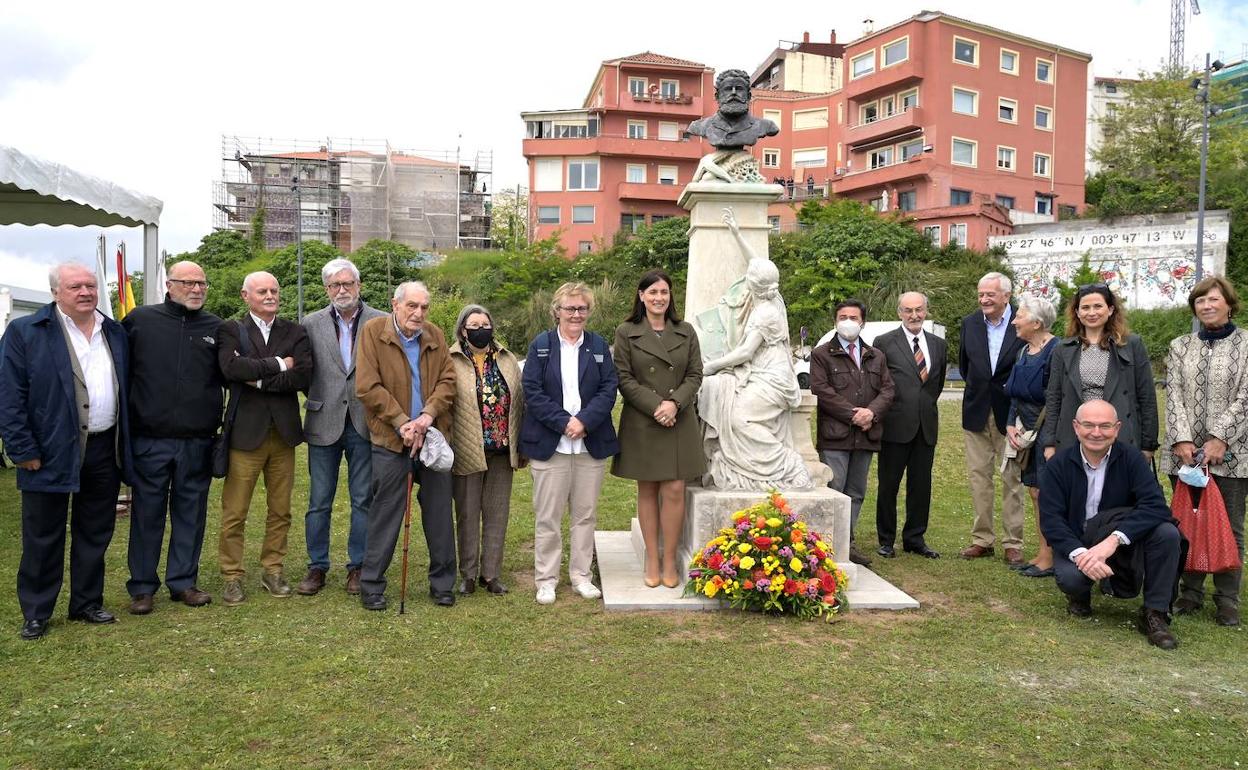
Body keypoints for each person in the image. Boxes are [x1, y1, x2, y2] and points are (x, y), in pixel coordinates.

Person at [0, 262, 133, 640]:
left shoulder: (114, 331)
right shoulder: (27, 331)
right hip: (47, 450)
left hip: (104, 447)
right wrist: (21, 447)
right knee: (43, 534)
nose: (86, 292)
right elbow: (9, 396)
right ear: (56, 292)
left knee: (95, 529)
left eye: (91, 285)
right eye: (76, 286)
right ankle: (37, 611)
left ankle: (87, 602)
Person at [1039, 400, 1182, 649]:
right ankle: (1079, 595)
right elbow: (1051, 520)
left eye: (1105, 426)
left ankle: (1155, 613)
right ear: (1075, 427)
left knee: (1167, 533)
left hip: (1120, 541)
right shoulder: (1057, 466)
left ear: (1116, 429)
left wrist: (1113, 540)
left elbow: (1156, 505)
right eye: (1089, 425)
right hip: (1079, 542)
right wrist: (1082, 554)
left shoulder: (1133, 460)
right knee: (1071, 579)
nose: (1096, 432)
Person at [122, 260, 223, 615]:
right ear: (169, 284)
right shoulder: (140, 321)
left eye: (202, 283)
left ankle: (182, 582)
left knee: (190, 514)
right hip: (150, 439)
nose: (196, 289)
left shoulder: (217, 328)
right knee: (147, 513)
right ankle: (142, 587)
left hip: (197, 441)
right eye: (188, 283)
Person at [356, 281, 458, 609]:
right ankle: (371, 585)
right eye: (412, 306)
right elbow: (368, 387)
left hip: (431, 437)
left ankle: (442, 584)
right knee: (385, 513)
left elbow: (447, 381)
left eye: (424, 307)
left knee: (440, 513)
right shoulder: (373, 332)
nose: (418, 313)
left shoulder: (435, 335)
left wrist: (426, 418)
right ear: (395, 304)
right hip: (391, 439)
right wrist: (402, 422)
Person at [216, 271, 312, 605]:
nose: (270, 295)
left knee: (281, 510)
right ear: (246, 295)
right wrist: (277, 364)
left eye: (274, 289)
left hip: (283, 436)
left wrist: (257, 378)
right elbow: (230, 370)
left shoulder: (295, 331)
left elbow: (302, 375)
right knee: (235, 511)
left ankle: (273, 570)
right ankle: (231, 576)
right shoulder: (231, 330)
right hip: (246, 436)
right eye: (262, 291)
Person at [521, 282, 619, 605]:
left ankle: (581, 576)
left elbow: (609, 388)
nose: (576, 314)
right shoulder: (541, 346)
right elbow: (531, 390)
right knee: (547, 516)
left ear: (588, 312)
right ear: (557, 311)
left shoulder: (599, 346)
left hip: (589, 445)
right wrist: (564, 422)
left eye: (582, 309)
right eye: (570, 308)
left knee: (585, 515)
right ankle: (546, 579)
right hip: (553, 445)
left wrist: (584, 421)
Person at [698, 212, 810, 491]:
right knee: (718, 394)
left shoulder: (766, 313)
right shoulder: (775, 297)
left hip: (772, 377)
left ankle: (787, 464)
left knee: (738, 418)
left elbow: (745, 353)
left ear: (752, 285)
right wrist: (737, 232)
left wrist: (711, 365)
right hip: (762, 372)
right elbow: (756, 264)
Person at [296, 258, 386, 597]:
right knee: (319, 499)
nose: (342, 290)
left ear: (359, 285)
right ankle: (316, 566)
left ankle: (357, 566)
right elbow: (306, 372)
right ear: (326, 289)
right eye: (335, 285)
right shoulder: (310, 323)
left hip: (365, 422)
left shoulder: (380, 321)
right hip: (323, 420)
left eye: (347, 283)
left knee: (363, 498)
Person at [1164, 275, 1248, 627]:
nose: (1207, 306)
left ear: (1229, 303)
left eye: (1214, 299)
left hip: (1231, 454)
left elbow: (1246, 396)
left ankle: (1227, 598)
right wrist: (1183, 441)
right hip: (1185, 456)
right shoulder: (1180, 345)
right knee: (1188, 521)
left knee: (1229, 525)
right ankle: (1191, 591)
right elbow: (1174, 395)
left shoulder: (1246, 344)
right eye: (1200, 301)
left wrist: (1219, 439)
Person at [613, 270, 705, 588]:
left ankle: (670, 560)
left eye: (664, 291)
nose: (658, 298)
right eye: (652, 292)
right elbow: (623, 378)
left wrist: (674, 403)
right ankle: (652, 557)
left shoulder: (686, 331)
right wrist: (655, 406)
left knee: (675, 488)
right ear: (641, 296)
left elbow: (695, 374)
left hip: (678, 419)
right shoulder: (626, 332)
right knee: (648, 488)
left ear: (670, 295)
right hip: (644, 419)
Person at [810, 299, 894, 566]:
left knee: (856, 492)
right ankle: (824, 545)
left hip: (866, 436)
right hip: (835, 436)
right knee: (834, 489)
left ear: (862, 322)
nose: (848, 321)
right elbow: (822, 391)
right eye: (843, 316)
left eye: (853, 317)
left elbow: (888, 389)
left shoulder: (875, 355)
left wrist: (871, 413)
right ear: (835, 321)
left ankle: (846, 543)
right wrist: (854, 415)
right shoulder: (822, 354)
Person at [448, 303, 525, 596]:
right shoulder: (451, 358)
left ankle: (490, 575)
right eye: (474, 326)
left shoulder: (507, 359)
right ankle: (467, 574)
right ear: (462, 330)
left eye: (485, 324)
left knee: (497, 512)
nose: (481, 330)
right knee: (467, 513)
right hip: (467, 448)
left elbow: (520, 401)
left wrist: (522, 445)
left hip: (502, 449)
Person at [1041, 283, 1158, 461]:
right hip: (1075, 435)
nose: (1092, 312)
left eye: (1098, 306)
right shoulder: (1062, 349)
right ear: (1077, 312)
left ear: (1110, 309)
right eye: (1085, 307)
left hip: (1119, 433)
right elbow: (1054, 398)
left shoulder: (1132, 345)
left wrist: (1147, 445)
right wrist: (1049, 442)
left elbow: (1146, 396)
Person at [958, 272, 1027, 566]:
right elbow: (965, 366)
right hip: (975, 411)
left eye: (991, 295)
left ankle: (1013, 542)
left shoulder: (1023, 321)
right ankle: (982, 540)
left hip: (1011, 414)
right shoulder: (969, 324)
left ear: (1006, 296)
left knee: (1012, 477)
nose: (984, 300)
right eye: (981, 294)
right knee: (978, 477)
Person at [874, 292, 947, 560]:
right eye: (908, 311)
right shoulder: (884, 342)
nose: (914, 315)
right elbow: (879, 382)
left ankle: (915, 538)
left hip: (925, 427)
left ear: (926, 311)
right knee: (888, 485)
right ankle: (886, 539)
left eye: (918, 310)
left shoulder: (938, 345)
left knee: (921, 486)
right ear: (899, 313)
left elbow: (934, 387)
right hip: (895, 427)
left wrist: (922, 408)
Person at [1004, 295, 1059, 578]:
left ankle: (1053, 555)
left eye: (1020, 316)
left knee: (1049, 494)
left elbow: (1056, 398)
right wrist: (1010, 425)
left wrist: (1047, 439)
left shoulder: (1057, 350)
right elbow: (1014, 392)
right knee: (1036, 492)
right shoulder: (1023, 351)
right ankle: (1043, 552)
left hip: (1049, 434)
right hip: (1025, 431)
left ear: (1037, 323)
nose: (1014, 320)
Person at [685, 69, 780, 183]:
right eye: (728, 89)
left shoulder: (766, 126)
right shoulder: (699, 126)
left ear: (748, 96)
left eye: (739, 89)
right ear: (717, 96)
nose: (734, 93)